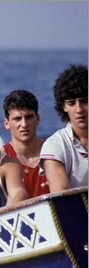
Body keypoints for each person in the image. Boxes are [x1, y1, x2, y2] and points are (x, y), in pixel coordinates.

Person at [40, 64, 88, 192]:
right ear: (63, 106)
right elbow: (63, 199)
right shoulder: (55, 145)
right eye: (71, 103)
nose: (79, 109)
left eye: (84, 101)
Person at [1, 90, 49, 198]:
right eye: (17, 119)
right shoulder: (0, 159)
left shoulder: (53, 151)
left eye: (29, 117)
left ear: (38, 119)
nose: (24, 124)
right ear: (6, 124)